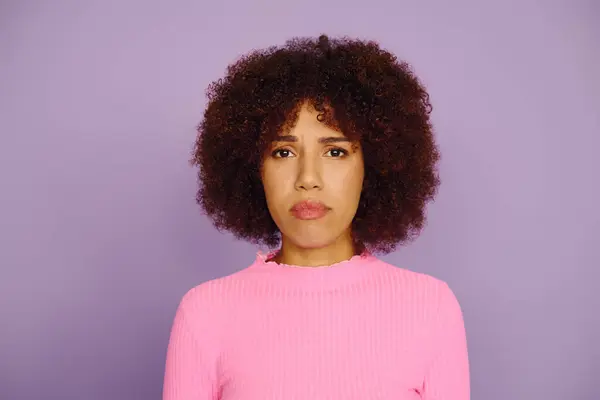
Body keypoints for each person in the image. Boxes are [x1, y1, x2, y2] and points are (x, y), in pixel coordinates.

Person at [162, 34, 470, 399]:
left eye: (335, 152)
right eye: (283, 152)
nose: (308, 178)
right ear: (253, 168)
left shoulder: (431, 307)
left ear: (373, 166)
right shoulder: (204, 314)